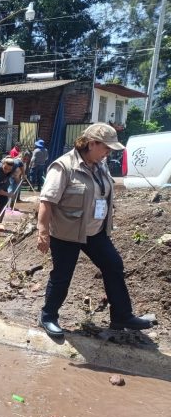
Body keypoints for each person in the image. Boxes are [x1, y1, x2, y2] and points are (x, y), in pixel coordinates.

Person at [36, 123, 153, 337]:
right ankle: (48, 316)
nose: (109, 152)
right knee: (62, 276)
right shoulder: (64, 166)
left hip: (95, 231)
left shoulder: (100, 165)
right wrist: (42, 232)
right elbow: (46, 201)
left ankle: (121, 316)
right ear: (92, 144)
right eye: (106, 148)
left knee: (113, 265)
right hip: (67, 233)